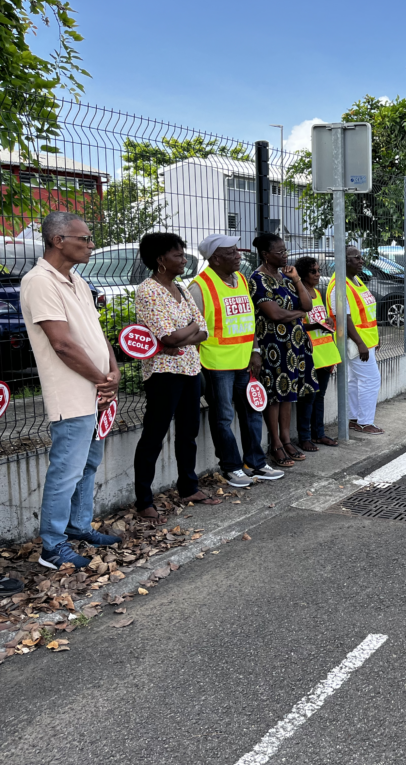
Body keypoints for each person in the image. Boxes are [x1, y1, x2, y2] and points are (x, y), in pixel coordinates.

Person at [20, 211, 121, 569]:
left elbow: (95, 332)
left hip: (97, 389)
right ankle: (52, 545)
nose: (91, 245)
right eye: (84, 239)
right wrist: (100, 377)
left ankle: (79, 527)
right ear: (58, 240)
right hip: (73, 394)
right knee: (66, 470)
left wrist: (112, 370)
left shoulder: (76, 280)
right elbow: (61, 344)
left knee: (89, 464)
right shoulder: (39, 282)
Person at [133, 233, 221, 523]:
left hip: (190, 369)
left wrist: (181, 336)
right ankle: (144, 500)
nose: (184, 260)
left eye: (184, 254)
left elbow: (203, 330)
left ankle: (188, 487)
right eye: (178, 255)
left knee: (188, 433)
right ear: (160, 260)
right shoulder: (148, 291)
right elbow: (165, 335)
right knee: (153, 436)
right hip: (163, 373)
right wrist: (183, 333)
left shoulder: (181, 289)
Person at [189, 235, 284, 487]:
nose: (238, 255)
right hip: (216, 364)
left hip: (245, 361)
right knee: (223, 417)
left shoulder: (240, 279)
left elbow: (248, 319)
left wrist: (255, 351)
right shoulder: (199, 287)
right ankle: (231, 467)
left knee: (253, 411)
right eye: (231, 252)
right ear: (216, 258)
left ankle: (255, 462)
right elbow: (193, 329)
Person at [249, 233, 317, 467]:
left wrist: (297, 279)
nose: (285, 255)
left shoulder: (286, 277)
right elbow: (275, 315)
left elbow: (307, 304)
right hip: (273, 346)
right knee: (274, 395)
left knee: (289, 393)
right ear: (266, 255)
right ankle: (276, 444)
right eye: (279, 252)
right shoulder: (257, 279)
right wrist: (298, 314)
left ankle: (287, 440)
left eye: (285, 250)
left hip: (295, 345)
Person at [326, 246, 383, 435]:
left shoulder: (355, 280)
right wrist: (360, 343)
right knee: (370, 379)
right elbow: (344, 318)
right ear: (344, 261)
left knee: (354, 380)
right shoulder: (339, 286)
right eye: (356, 258)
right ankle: (365, 422)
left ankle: (353, 419)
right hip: (355, 342)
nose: (361, 261)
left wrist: (374, 338)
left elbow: (366, 312)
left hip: (366, 340)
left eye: (361, 257)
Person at [295, 256, 340, 451]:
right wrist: (315, 325)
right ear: (303, 274)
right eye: (313, 271)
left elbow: (321, 317)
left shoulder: (316, 293)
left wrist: (328, 321)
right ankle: (304, 437)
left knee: (319, 395)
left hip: (325, 352)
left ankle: (318, 434)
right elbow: (298, 325)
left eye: (318, 270)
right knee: (308, 396)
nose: (318, 274)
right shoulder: (299, 294)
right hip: (308, 353)